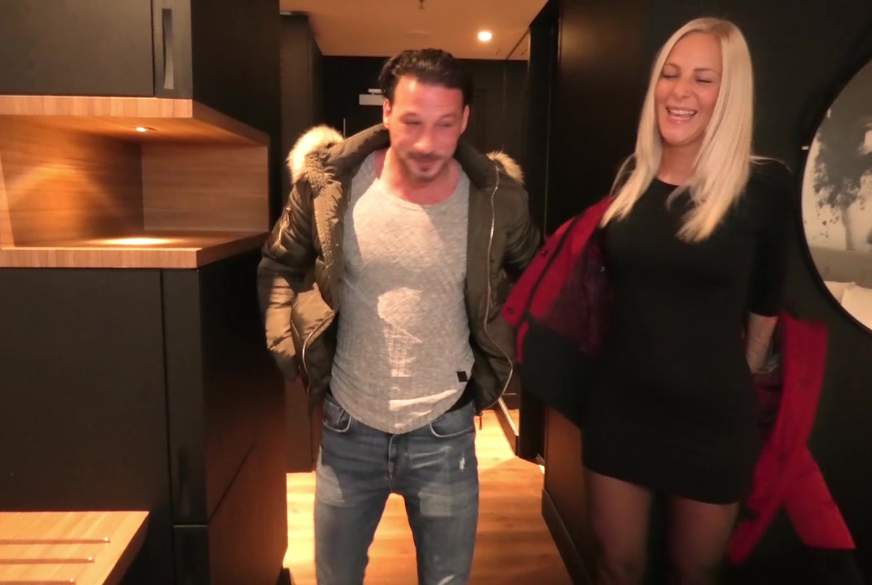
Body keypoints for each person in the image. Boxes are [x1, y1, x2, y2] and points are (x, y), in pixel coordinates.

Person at [257, 48, 539, 585]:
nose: (428, 142)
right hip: (347, 426)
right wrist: (288, 347)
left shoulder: (497, 200)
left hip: (446, 431)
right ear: (386, 112)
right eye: (412, 122)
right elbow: (279, 264)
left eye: (444, 124)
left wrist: (505, 353)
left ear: (465, 120)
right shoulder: (330, 186)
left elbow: (537, 279)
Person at [582, 18, 791, 585]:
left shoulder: (764, 186)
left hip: (711, 418)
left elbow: (768, 300)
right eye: (670, 75)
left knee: (696, 573)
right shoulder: (631, 175)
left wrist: (738, 373)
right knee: (616, 567)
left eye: (703, 79)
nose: (679, 92)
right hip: (620, 405)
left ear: (731, 94)